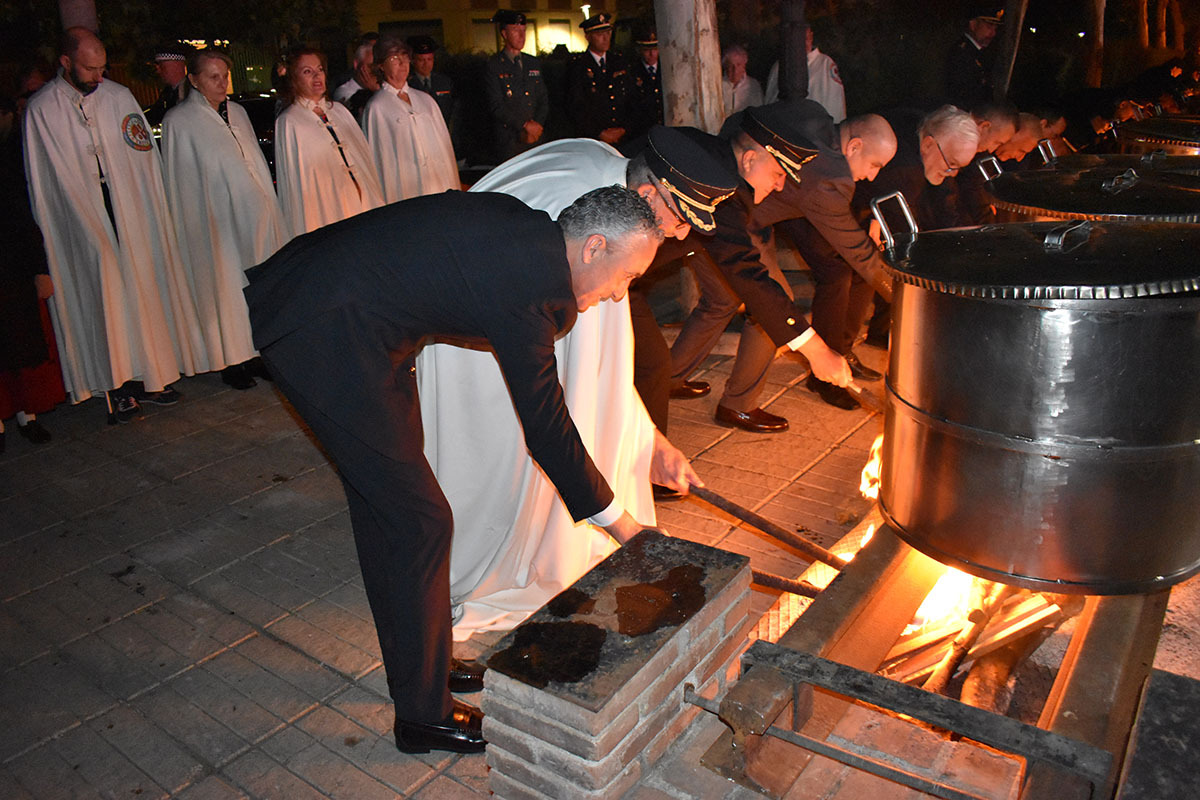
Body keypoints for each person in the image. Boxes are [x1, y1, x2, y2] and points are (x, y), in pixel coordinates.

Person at [244, 186, 663, 755]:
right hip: (321, 328)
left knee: (392, 512)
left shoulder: (529, 235)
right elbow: (545, 425)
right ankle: (423, 717)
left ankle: (427, 666)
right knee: (418, 522)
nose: (619, 294)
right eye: (626, 276)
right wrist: (623, 526)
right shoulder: (527, 284)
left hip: (361, 325)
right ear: (593, 247)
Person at [416, 126, 732, 636]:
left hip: (501, 325)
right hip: (478, 348)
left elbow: (603, 367)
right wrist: (621, 524)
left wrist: (649, 442)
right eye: (679, 219)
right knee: (504, 473)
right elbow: (566, 398)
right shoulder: (583, 224)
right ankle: (486, 569)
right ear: (650, 195)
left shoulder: (610, 182)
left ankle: (557, 532)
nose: (679, 236)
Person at [632, 100, 853, 434]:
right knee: (649, 366)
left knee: (721, 298)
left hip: (622, 265)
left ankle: (676, 387)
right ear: (750, 158)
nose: (781, 186)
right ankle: (648, 473)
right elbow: (745, 271)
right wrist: (817, 351)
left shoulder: (711, 155)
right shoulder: (720, 192)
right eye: (779, 174)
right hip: (616, 272)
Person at [23, 27, 203, 420]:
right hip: (82, 220)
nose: (98, 78)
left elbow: (143, 158)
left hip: (128, 213)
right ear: (66, 62)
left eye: (102, 68)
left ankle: (152, 375)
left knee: (142, 291)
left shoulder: (119, 98)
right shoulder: (43, 110)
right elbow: (45, 182)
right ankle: (116, 385)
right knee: (103, 297)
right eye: (90, 69)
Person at [752, 114, 898, 410]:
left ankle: (836, 359)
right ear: (854, 146)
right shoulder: (830, 177)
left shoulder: (815, 116)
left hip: (777, 211)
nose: (872, 177)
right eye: (874, 166)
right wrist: (902, 295)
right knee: (769, 297)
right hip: (740, 217)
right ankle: (738, 401)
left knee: (725, 302)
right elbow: (857, 251)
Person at [161, 49, 286, 391]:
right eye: (213, 77)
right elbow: (184, 182)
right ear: (194, 80)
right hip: (215, 223)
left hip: (254, 217)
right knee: (225, 287)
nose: (221, 84)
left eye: (225, 76)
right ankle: (231, 359)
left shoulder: (240, 113)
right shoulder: (180, 122)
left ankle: (258, 351)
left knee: (257, 285)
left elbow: (253, 163)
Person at [0, 95, 64, 451]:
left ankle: (28, 414)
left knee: (21, 343)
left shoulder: (9, 157)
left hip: (13, 267)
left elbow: (24, 219)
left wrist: (39, 269)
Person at [274, 48, 383, 237]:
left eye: (320, 69)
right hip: (327, 211)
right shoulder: (290, 121)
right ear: (294, 78)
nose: (317, 76)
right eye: (307, 71)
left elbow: (364, 161)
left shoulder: (339, 112)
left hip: (363, 207)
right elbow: (298, 183)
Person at [363, 36, 458, 203]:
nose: (402, 63)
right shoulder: (377, 107)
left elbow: (444, 149)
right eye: (395, 59)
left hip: (436, 186)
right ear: (381, 66)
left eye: (405, 58)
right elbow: (379, 159)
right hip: (404, 190)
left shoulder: (425, 100)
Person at [484, 10, 549, 162]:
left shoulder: (533, 63)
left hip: (536, 139)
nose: (521, 36)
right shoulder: (493, 65)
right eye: (515, 30)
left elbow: (543, 99)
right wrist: (524, 125)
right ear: (504, 34)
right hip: (510, 141)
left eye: (523, 31)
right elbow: (496, 105)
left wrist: (537, 126)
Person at [565, 13, 633, 146]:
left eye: (608, 33)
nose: (605, 38)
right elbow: (575, 106)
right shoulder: (578, 66)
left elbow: (631, 99)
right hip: (593, 139)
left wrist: (624, 129)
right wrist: (598, 132)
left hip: (622, 137)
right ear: (588, 37)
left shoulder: (619, 62)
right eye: (599, 34)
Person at [764, 27, 846, 123]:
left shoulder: (825, 64)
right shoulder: (779, 66)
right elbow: (769, 101)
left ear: (811, 37)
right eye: (797, 40)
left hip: (814, 129)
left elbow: (835, 102)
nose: (801, 44)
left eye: (805, 39)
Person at [946, 5, 1002, 111]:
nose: (993, 33)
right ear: (973, 25)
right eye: (989, 27)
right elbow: (961, 94)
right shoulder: (962, 53)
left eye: (995, 28)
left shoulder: (981, 53)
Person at [407, 36, 454, 131]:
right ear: (413, 61)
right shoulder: (408, 84)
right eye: (421, 60)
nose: (426, 64)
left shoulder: (444, 82)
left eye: (429, 59)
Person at [627, 26, 664, 141]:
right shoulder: (632, 71)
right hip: (643, 130)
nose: (652, 54)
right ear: (640, 50)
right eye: (647, 50)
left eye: (654, 49)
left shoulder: (666, 69)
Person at [333, 35, 380, 121]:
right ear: (356, 64)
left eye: (376, 66)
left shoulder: (382, 86)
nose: (374, 71)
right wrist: (377, 92)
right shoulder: (344, 91)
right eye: (370, 66)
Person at [143, 43, 189, 127]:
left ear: (176, 65)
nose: (158, 71)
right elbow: (155, 114)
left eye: (161, 66)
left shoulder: (192, 91)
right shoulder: (168, 93)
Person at [722, 45, 763, 118]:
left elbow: (758, 111)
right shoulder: (718, 84)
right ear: (725, 66)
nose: (735, 70)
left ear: (744, 65)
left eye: (738, 65)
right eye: (731, 65)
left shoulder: (753, 85)